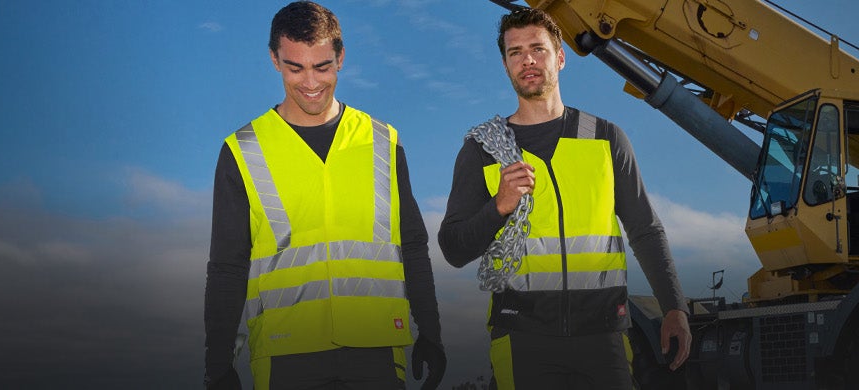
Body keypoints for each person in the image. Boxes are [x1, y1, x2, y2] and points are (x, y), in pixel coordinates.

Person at [439, 8, 691, 390]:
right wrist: (499, 207)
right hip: (523, 337)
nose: (527, 60)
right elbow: (454, 247)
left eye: (537, 49)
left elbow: (644, 229)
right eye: (515, 52)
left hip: (604, 334)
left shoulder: (606, 139)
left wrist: (674, 306)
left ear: (559, 57)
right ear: (505, 65)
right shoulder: (482, 151)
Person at [204, 2, 443, 389]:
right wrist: (217, 362)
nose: (310, 82)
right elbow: (228, 266)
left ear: (341, 57)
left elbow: (412, 245)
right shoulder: (243, 150)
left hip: (377, 348)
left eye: (322, 66)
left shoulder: (382, 141)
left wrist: (430, 332)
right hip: (286, 354)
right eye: (295, 67)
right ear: (274, 60)